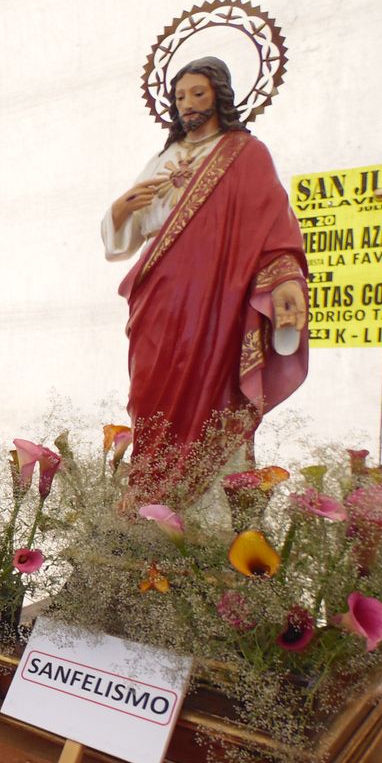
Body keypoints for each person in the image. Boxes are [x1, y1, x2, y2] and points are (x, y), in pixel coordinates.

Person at [102, 56, 308, 498]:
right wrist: (121, 209)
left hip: (217, 296)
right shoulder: (165, 156)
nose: (187, 104)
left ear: (220, 94)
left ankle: (203, 513)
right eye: (179, 97)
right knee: (151, 389)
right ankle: (149, 501)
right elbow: (125, 235)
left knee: (210, 389)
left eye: (197, 93)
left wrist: (286, 284)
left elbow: (274, 229)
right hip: (157, 290)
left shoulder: (245, 154)